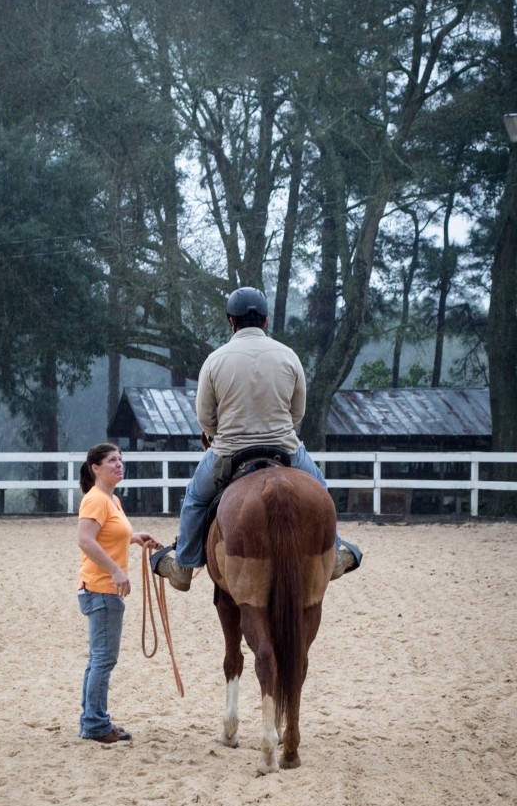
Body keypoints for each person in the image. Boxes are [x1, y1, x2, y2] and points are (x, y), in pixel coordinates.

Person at [152, 286, 362, 591]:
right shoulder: (288, 356)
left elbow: (205, 416)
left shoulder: (215, 360)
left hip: (228, 450)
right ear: (265, 320)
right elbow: (298, 410)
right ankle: (335, 552)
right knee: (320, 490)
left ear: (231, 321)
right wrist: (278, 430)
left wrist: (217, 434)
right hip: (284, 447)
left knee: (195, 498)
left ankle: (183, 565)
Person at [77, 442, 161, 743]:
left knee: (97, 658)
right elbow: (85, 540)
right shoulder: (96, 500)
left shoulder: (111, 500)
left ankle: (91, 718)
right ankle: (96, 725)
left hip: (101, 588)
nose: (119, 464)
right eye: (112, 460)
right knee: (103, 659)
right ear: (95, 468)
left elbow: (108, 536)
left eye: (120, 459)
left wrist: (134, 538)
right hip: (101, 588)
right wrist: (115, 570)